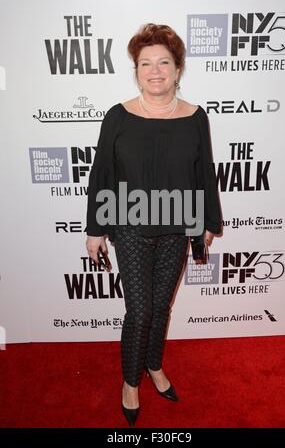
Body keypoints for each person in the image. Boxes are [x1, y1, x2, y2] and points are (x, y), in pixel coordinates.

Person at [86, 23, 222, 426]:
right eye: (146, 63)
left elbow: (205, 172)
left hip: (178, 227)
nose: (156, 71)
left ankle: (155, 366)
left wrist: (206, 222)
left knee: (161, 306)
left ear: (178, 69)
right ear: (136, 69)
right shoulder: (118, 116)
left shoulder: (196, 117)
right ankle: (131, 381)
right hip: (129, 226)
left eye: (164, 62)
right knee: (140, 310)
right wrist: (95, 228)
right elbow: (101, 173)